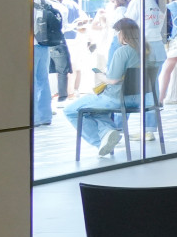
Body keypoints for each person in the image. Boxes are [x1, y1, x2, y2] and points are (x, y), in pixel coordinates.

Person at [61, 17, 143, 157]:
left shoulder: (123, 51)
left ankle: (99, 142)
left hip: (116, 98)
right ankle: (108, 132)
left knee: (70, 110)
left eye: (117, 32)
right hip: (138, 99)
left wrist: (101, 76)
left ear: (122, 33)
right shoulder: (147, 51)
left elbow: (113, 80)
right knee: (98, 111)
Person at [123, 0, 167, 139]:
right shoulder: (160, 2)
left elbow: (126, 26)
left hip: (144, 48)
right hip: (158, 48)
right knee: (152, 88)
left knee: (136, 88)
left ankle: (121, 126)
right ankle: (149, 128)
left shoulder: (137, 2)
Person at [32, 0, 63, 126]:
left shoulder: (35, 3)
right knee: (42, 80)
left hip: (35, 45)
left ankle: (36, 117)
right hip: (43, 44)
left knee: (35, 81)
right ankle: (44, 116)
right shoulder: (46, 4)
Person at [48, 0, 79, 100]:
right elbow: (63, 26)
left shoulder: (44, 4)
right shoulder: (61, 7)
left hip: (43, 42)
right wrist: (75, 25)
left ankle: (50, 94)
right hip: (58, 40)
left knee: (45, 70)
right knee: (62, 70)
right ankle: (62, 96)